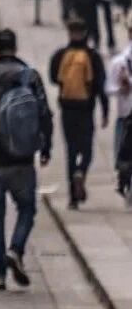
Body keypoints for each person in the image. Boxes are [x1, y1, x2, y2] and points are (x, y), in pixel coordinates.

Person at [0, 29, 52, 290]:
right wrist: (46, 147)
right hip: (23, 158)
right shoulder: (30, 76)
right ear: (15, 47)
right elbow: (45, 114)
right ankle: (16, 248)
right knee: (27, 208)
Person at [49, 17, 108, 208]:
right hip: (86, 109)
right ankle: (81, 171)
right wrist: (105, 110)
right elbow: (100, 85)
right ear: (86, 34)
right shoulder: (92, 56)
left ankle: (72, 199)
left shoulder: (60, 54)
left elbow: (53, 77)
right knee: (87, 150)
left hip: (67, 109)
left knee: (71, 151)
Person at [106, 15, 132, 196]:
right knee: (123, 155)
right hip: (126, 114)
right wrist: (120, 88)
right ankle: (125, 180)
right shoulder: (119, 62)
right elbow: (109, 88)